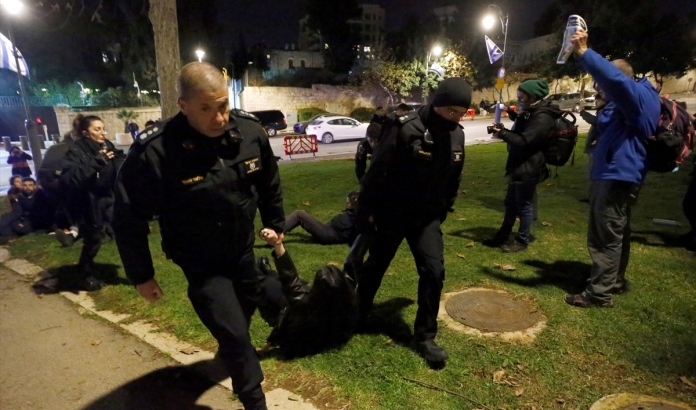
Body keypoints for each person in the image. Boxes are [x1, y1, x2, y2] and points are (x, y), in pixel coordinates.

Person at [113, 62, 284, 410]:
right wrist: (142, 275)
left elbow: (269, 181)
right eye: (205, 108)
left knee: (244, 309)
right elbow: (127, 217)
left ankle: (230, 352)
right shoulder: (157, 152)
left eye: (222, 105)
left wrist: (276, 222)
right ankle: (255, 400)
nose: (218, 117)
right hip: (201, 261)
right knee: (238, 335)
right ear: (183, 105)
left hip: (242, 250)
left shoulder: (249, 131)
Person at [356, 77, 470, 367]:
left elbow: (453, 178)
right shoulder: (406, 127)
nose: (455, 118)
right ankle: (358, 312)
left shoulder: (457, 134)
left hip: (426, 217)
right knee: (376, 264)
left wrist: (445, 208)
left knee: (434, 271)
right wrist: (368, 212)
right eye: (451, 111)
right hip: (393, 213)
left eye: (461, 113)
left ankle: (425, 337)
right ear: (437, 103)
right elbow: (377, 171)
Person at [564, 29, 660, 308]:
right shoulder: (634, 98)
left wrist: (584, 52)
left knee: (605, 235)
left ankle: (598, 293)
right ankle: (612, 280)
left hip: (616, 175)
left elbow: (615, 80)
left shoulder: (634, 94)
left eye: (599, 83)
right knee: (616, 231)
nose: (598, 88)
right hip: (620, 173)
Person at [255, 228, 356, 358]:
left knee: (266, 283)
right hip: (302, 313)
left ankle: (260, 271)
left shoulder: (303, 304)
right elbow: (293, 283)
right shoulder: (348, 304)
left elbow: (290, 279)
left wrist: (278, 244)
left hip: (286, 309)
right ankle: (267, 270)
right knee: (279, 279)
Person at [483, 80, 555, 253]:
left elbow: (525, 141)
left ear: (532, 95)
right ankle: (503, 235)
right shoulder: (531, 111)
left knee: (524, 205)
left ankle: (522, 240)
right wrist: (504, 130)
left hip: (529, 166)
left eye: (521, 94)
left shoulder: (543, 116)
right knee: (511, 203)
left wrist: (502, 133)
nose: (518, 97)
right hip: (519, 164)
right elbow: (520, 134)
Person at [62, 114, 125, 287]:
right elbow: (71, 178)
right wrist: (96, 162)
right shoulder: (76, 150)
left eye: (103, 128)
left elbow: (117, 165)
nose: (103, 133)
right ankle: (86, 269)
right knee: (93, 237)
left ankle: (138, 273)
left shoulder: (107, 145)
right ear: (85, 133)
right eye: (97, 129)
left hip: (109, 196)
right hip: (89, 200)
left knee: (123, 229)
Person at [37, 131, 81, 248]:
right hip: (57, 181)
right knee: (77, 203)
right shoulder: (73, 148)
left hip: (45, 180)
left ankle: (57, 227)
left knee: (58, 204)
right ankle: (72, 229)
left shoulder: (54, 147)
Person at [284, 192, 358, 245]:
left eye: (349, 203)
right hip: (328, 229)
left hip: (327, 235)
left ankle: (276, 231)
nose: (347, 204)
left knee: (299, 214)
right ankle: (280, 226)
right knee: (300, 215)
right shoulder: (353, 213)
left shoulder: (356, 218)